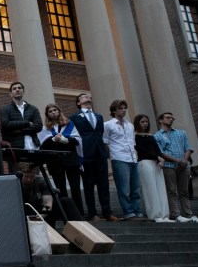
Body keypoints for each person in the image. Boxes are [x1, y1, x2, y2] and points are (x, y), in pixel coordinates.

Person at [68, 92, 118, 221]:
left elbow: (100, 133)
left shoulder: (99, 116)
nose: (88, 98)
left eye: (89, 97)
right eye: (84, 97)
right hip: (85, 153)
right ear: (78, 103)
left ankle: (107, 212)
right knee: (88, 184)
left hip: (100, 153)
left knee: (103, 184)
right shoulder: (74, 117)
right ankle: (92, 213)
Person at [153, 112, 198, 223]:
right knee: (171, 191)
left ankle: (188, 214)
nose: (171, 119)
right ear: (160, 120)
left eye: (172, 118)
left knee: (184, 191)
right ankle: (176, 214)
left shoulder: (181, 133)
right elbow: (161, 153)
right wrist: (178, 161)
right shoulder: (157, 136)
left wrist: (185, 161)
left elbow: (188, 148)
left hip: (184, 166)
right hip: (168, 166)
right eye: (168, 118)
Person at [38, 103, 83, 214]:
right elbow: (42, 146)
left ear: (59, 111)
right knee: (60, 189)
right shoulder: (45, 129)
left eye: (55, 110)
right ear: (47, 115)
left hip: (70, 160)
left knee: (75, 187)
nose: (53, 112)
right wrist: (53, 140)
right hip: (55, 162)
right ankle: (64, 213)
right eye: (50, 111)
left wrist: (63, 139)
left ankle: (79, 212)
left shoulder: (69, 125)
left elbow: (77, 141)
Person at [103, 99, 143, 220]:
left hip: (132, 159)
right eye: (121, 108)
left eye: (125, 108)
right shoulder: (108, 125)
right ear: (114, 110)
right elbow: (104, 142)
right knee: (124, 188)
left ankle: (137, 210)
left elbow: (132, 142)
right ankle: (128, 212)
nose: (124, 110)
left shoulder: (130, 125)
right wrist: (112, 156)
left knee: (136, 188)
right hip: (119, 158)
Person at [133, 114, 172, 222]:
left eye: (146, 121)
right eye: (142, 122)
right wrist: (158, 158)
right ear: (137, 123)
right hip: (145, 163)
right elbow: (142, 151)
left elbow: (157, 149)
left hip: (156, 162)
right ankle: (155, 215)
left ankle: (165, 215)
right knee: (150, 189)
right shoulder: (135, 136)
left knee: (161, 188)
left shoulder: (151, 135)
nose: (145, 123)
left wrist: (161, 159)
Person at [0, 81, 42, 151]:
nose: (17, 90)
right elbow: (5, 124)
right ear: (10, 94)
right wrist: (27, 123)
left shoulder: (33, 109)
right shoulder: (4, 109)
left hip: (34, 146)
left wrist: (19, 130)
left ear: (23, 91)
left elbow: (38, 126)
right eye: (14, 89)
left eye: (19, 88)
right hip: (14, 148)